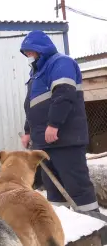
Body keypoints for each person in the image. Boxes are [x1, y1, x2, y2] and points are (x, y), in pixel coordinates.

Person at [19, 30, 100, 214]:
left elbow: (64, 94)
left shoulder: (60, 63)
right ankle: (65, 226)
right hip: (44, 144)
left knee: (77, 186)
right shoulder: (35, 75)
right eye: (26, 54)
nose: (28, 56)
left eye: (30, 52)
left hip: (65, 140)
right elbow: (32, 107)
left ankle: (95, 230)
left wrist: (54, 124)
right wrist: (28, 131)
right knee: (54, 190)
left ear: (41, 49)